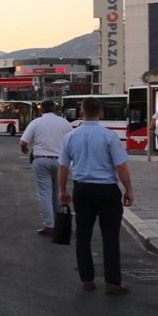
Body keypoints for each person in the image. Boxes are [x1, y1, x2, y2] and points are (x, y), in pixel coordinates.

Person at [58, 97, 134, 294]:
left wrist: (62, 190)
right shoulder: (109, 136)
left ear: (81, 113)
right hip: (107, 190)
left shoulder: (70, 137)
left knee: (83, 235)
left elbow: (63, 167)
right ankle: (113, 282)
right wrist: (129, 190)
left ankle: (87, 279)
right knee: (110, 236)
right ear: (101, 113)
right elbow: (121, 166)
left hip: (82, 190)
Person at [19, 99, 73, 236]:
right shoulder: (65, 123)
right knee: (58, 192)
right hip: (61, 162)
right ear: (55, 109)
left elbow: (23, 141)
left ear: (41, 110)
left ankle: (49, 225)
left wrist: (25, 149)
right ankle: (58, 222)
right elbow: (71, 142)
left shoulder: (36, 122)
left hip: (41, 160)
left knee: (45, 193)